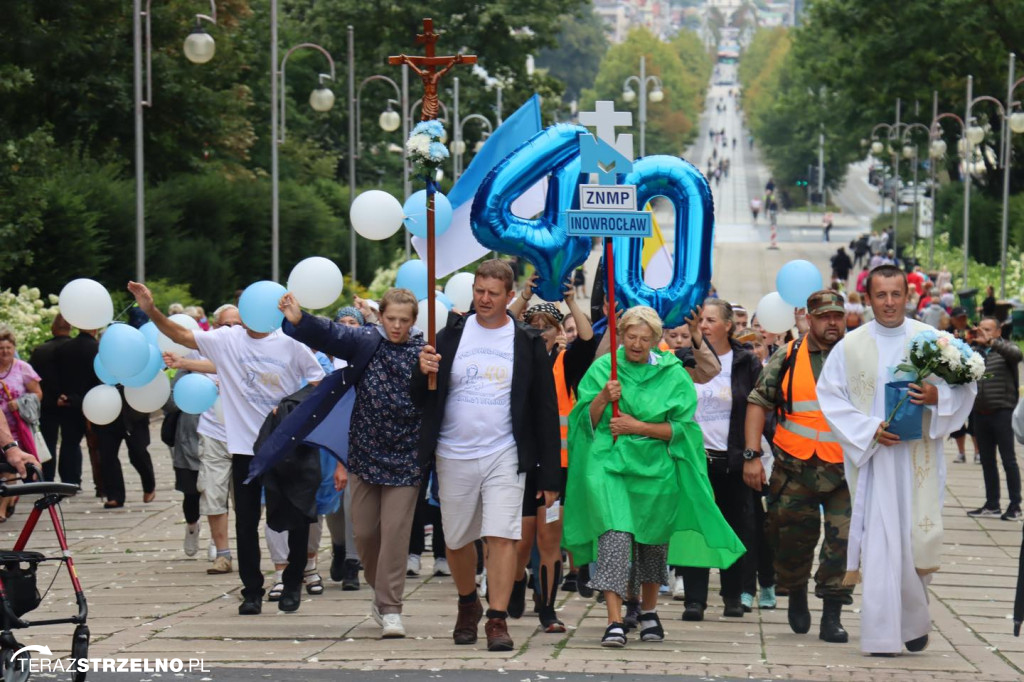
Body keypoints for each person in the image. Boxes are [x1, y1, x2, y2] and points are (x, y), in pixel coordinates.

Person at [127, 280, 324, 616]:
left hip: (284, 445)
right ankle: (252, 591)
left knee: (296, 517)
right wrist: (151, 310)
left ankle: (292, 582)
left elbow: (318, 381)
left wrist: (291, 405)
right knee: (245, 521)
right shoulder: (227, 339)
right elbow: (181, 336)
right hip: (246, 448)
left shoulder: (292, 343)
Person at [817, 264, 977, 655]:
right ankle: (882, 635)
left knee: (917, 537)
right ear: (868, 299)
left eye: (895, 294)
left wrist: (939, 398)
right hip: (874, 461)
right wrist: (869, 429)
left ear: (907, 295)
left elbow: (966, 389)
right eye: (880, 295)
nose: (889, 303)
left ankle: (914, 620)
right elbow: (831, 398)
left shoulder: (933, 340)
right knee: (880, 542)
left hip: (919, 459)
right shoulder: (850, 346)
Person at [563, 306, 744, 647]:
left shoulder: (673, 372)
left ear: (656, 341)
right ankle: (614, 620)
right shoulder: (605, 368)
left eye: (645, 339)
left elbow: (683, 430)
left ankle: (648, 612)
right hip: (610, 466)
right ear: (622, 335)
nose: (636, 344)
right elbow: (581, 421)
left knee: (651, 544)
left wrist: (638, 426)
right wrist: (603, 397)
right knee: (614, 538)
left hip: (655, 471)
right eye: (631, 337)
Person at [414, 259, 561, 652]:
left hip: (505, 453)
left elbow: (545, 410)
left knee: (502, 536)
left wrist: (549, 478)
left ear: (509, 296)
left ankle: (497, 620)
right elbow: (424, 393)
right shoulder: (450, 336)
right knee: (458, 540)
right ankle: (468, 603)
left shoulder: (526, 342)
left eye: (493, 294)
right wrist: (421, 369)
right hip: (453, 451)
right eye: (479, 291)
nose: (484, 299)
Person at [278, 288, 425, 637]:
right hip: (364, 454)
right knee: (366, 534)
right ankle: (379, 589)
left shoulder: (424, 352)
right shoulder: (366, 342)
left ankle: (391, 607)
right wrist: (301, 319)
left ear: (414, 322)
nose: (397, 326)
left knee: (394, 534)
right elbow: (333, 333)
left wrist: (430, 371)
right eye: (391, 319)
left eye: (404, 320)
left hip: (405, 459)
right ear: (380, 317)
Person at [744, 290, 852, 643]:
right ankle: (797, 592)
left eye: (838, 316)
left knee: (844, 542)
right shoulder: (788, 356)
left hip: (845, 469)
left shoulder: (858, 356)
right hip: (795, 465)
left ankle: (832, 614)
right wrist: (752, 455)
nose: (832, 323)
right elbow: (759, 401)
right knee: (789, 535)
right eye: (824, 317)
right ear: (809, 318)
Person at [509, 286, 597, 633]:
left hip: (557, 466)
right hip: (520, 463)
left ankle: (547, 609)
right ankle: (515, 582)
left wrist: (572, 301)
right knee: (519, 541)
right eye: (535, 324)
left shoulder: (567, 362)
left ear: (559, 331)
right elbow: (502, 321)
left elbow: (588, 341)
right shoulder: (515, 357)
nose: (541, 331)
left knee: (549, 541)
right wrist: (525, 296)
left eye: (548, 326)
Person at [678, 299, 764, 621]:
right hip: (695, 459)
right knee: (696, 527)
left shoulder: (745, 362)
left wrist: (752, 455)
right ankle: (695, 599)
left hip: (732, 459)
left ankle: (732, 595)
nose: (704, 326)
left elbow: (758, 407)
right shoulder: (685, 359)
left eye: (711, 320)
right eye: (701, 320)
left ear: (729, 325)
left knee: (735, 526)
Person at [162, 304, 242, 574]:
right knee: (212, 494)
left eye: (237, 324)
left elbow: (229, 365)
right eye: (226, 325)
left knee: (245, 501)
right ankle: (222, 553)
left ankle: (247, 547)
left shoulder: (250, 347)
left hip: (245, 436)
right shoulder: (204, 346)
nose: (232, 330)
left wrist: (186, 364)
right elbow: (179, 336)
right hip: (212, 434)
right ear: (215, 327)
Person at [965, 317, 1022, 520]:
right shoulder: (975, 352)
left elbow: (1017, 356)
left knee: (1009, 460)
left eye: (988, 330)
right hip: (980, 414)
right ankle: (992, 504)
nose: (984, 333)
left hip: (1003, 412)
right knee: (987, 461)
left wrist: (991, 343)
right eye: (981, 329)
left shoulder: (1006, 348)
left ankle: (1015, 505)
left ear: (998, 332)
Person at [0, 327, 43, 520]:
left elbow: (38, 394)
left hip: (16, 427)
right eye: (1, 348)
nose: (5, 352)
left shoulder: (22, 368)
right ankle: (10, 497)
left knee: (10, 466)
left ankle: (2, 508)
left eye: (8, 347)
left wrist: (18, 403)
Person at [53, 325, 101, 494]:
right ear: (94, 330)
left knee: (69, 443)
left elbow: (55, 374)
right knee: (97, 445)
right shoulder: (97, 348)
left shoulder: (64, 348)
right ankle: (101, 485)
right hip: (94, 401)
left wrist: (62, 395)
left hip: (68, 402)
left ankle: (69, 482)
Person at [94, 387, 156, 508]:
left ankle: (149, 485)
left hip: (134, 414)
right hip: (107, 411)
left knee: (138, 453)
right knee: (107, 455)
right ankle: (115, 496)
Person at [28, 314, 72, 481]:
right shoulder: (74, 349)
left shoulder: (40, 351)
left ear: (53, 329)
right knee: (70, 443)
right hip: (70, 402)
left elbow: (31, 378)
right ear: (70, 329)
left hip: (46, 403)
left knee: (48, 442)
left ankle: (47, 477)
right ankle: (71, 479)